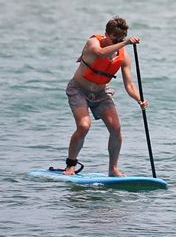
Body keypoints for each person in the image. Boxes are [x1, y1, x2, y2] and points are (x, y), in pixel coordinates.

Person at [63, 17, 147, 176]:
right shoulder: (93, 43)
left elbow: (129, 85)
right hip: (79, 89)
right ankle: (70, 165)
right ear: (106, 34)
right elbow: (100, 54)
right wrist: (126, 42)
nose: (118, 41)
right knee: (84, 126)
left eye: (121, 38)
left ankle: (113, 169)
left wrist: (139, 100)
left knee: (116, 129)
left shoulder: (123, 57)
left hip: (101, 93)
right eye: (115, 38)